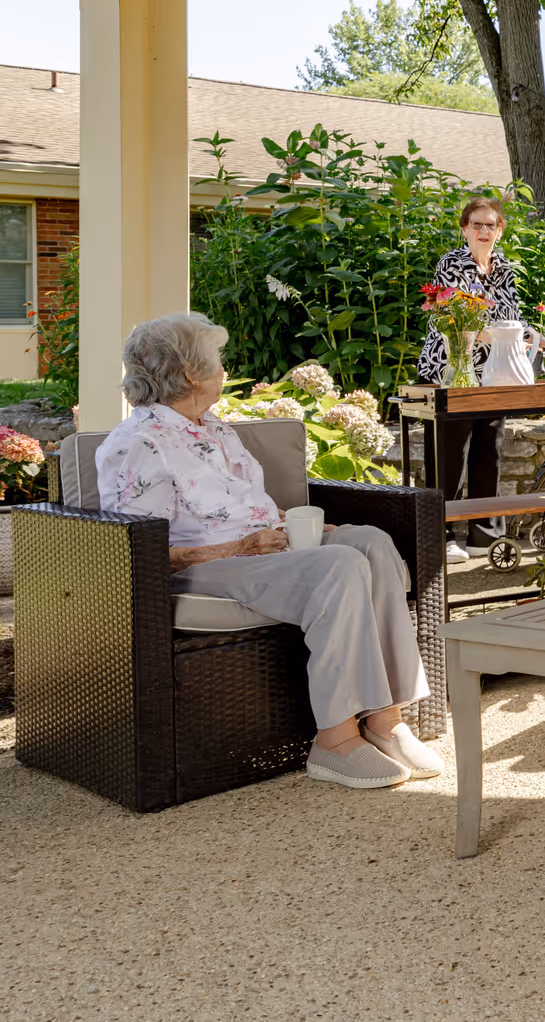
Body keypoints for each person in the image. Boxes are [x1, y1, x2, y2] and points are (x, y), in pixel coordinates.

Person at [96, 312, 440, 790]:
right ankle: (335, 741)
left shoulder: (213, 428)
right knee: (336, 566)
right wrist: (241, 545)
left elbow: (244, 505)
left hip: (263, 551)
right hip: (201, 568)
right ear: (192, 373)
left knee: (369, 542)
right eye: (217, 361)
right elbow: (139, 546)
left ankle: (386, 719)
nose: (224, 370)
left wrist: (291, 526)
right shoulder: (138, 444)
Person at [416, 196, 545, 561]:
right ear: (464, 228)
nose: (484, 231)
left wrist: (539, 341)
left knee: (490, 451)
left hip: (496, 372)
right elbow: (453, 317)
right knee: (452, 454)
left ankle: (485, 536)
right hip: (452, 370)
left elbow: (512, 320)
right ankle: (444, 534)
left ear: (500, 230)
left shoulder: (505, 270)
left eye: (491, 225)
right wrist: (502, 337)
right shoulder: (452, 263)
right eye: (477, 224)